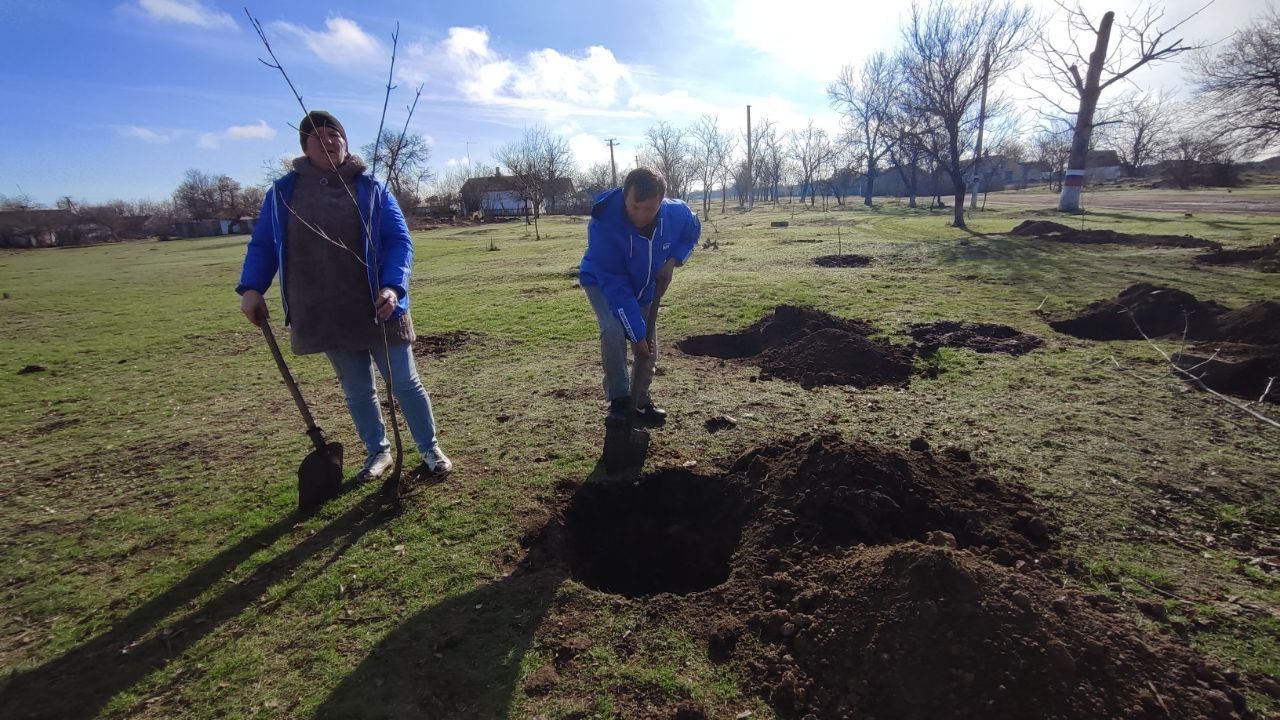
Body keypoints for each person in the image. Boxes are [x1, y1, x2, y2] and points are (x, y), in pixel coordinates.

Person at [236, 110, 451, 480]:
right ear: (304, 147)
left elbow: (399, 241)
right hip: (325, 309)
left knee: (404, 382)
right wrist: (252, 287)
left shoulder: (371, 188)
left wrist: (393, 287)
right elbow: (264, 245)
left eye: (334, 134)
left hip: (381, 306)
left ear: (346, 141)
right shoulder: (283, 194)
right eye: (317, 137)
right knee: (357, 389)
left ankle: (429, 448)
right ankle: (378, 453)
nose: (328, 142)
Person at [578, 167, 701, 424]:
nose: (641, 216)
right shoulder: (604, 222)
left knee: (649, 346)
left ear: (661, 202)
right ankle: (620, 401)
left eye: (650, 209)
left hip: (645, 285)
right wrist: (635, 334)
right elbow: (616, 284)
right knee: (613, 330)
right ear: (625, 196)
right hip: (602, 282)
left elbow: (692, 230)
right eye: (635, 207)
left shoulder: (676, 213)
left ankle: (641, 401)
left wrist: (673, 261)